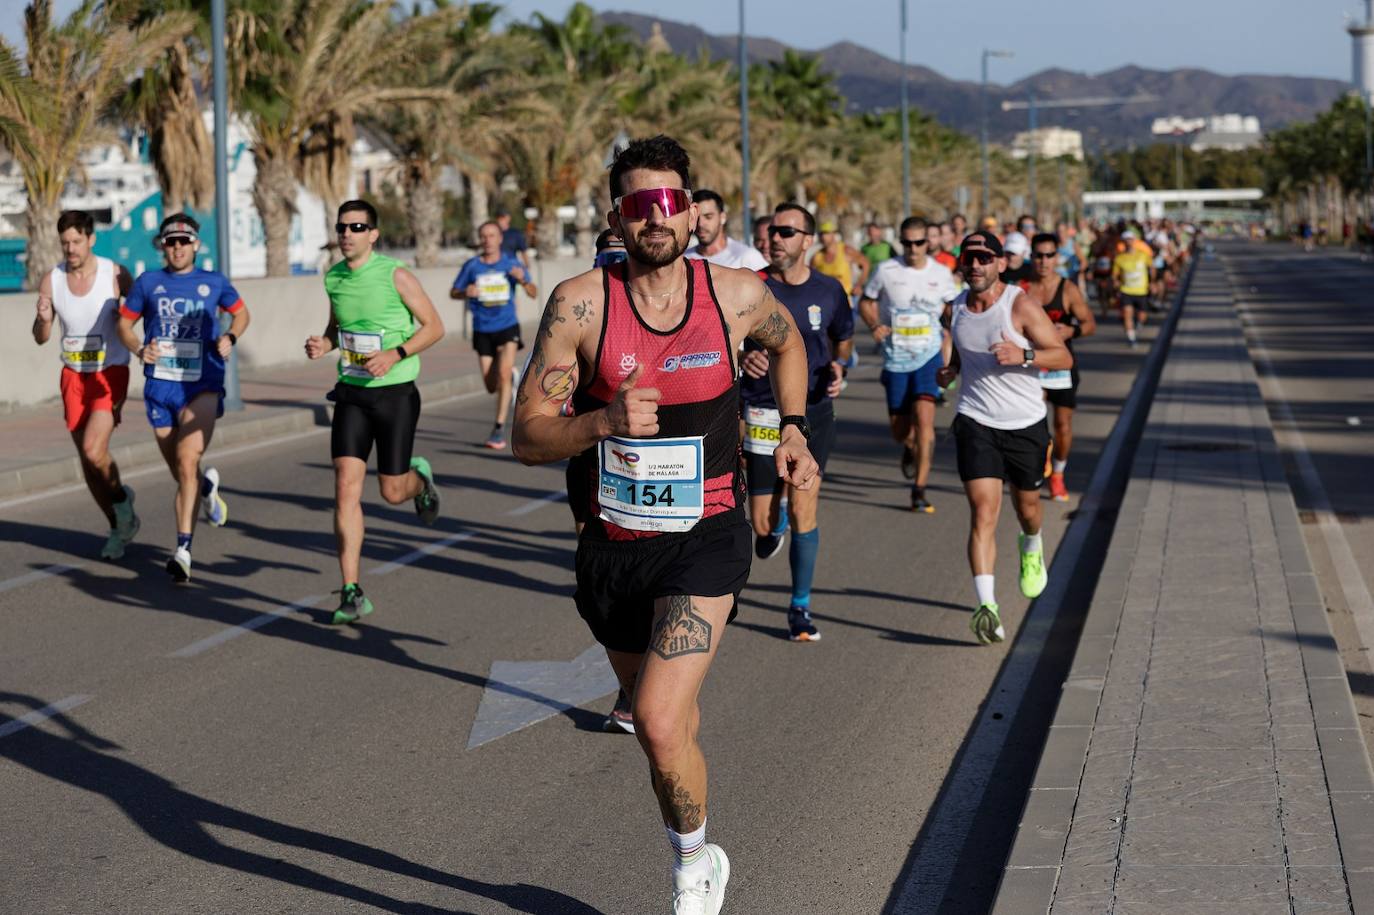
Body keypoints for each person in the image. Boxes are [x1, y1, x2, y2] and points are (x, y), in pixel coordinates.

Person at [511, 135, 818, 915]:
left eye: (672, 201)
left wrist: (792, 427)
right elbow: (526, 435)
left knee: (651, 718)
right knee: (671, 726)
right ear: (618, 214)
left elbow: (789, 349)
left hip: (707, 533)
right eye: (641, 203)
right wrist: (600, 423)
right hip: (611, 548)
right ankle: (693, 815)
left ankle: (693, 864)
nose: (659, 217)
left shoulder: (737, 295)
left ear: (692, 210)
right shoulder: (581, 304)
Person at [305, 200, 445, 623]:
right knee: (345, 486)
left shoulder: (395, 275)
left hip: (395, 394)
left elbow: (435, 327)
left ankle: (418, 480)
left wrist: (396, 353)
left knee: (390, 491)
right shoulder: (333, 278)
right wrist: (323, 345)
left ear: (373, 234)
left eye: (357, 226)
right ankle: (352, 590)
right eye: (342, 226)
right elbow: (337, 329)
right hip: (351, 394)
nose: (347, 233)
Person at [936, 230, 1072, 645]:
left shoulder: (1021, 305)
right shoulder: (955, 309)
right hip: (975, 421)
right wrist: (953, 371)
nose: (975, 265)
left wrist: (1025, 355)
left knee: (1027, 508)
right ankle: (987, 607)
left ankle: (1032, 543)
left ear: (1000, 263)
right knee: (983, 512)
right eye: (969, 258)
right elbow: (962, 348)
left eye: (984, 258)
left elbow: (1063, 356)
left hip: (1025, 424)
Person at [116, 214, 249, 582]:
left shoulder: (213, 283)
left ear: (196, 245)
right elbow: (123, 324)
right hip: (161, 386)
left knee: (187, 460)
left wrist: (230, 338)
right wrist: (139, 349)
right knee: (179, 468)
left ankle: (183, 550)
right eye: (170, 242)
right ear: (163, 246)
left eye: (183, 241)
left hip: (202, 382)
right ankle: (207, 488)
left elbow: (241, 314)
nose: (176, 248)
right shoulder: (148, 283)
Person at [742, 202, 853, 640]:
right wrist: (742, 355)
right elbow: (726, 339)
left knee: (807, 505)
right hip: (762, 411)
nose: (776, 238)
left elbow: (842, 343)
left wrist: (841, 368)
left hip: (813, 412)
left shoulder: (829, 290)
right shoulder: (752, 287)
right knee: (764, 526)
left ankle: (800, 607)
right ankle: (777, 519)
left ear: (808, 240)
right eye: (772, 231)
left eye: (787, 232)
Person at [32, 209, 140, 559]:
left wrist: (132, 324)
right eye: (65, 243)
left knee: (95, 449)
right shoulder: (52, 280)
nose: (70, 249)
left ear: (91, 239)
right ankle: (117, 526)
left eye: (77, 241)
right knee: (87, 461)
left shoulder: (115, 274)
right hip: (73, 376)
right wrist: (43, 319)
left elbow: (144, 308)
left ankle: (122, 500)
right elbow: (41, 337)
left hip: (110, 372)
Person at [860, 216, 960, 512]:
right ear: (900, 242)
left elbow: (954, 307)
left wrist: (953, 330)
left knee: (926, 422)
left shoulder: (942, 273)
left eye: (918, 242)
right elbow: (866, 301)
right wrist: (875, 325)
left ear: (927, 243)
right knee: (901, 431)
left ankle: (919, 489)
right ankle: (909, 448)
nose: (913, 248)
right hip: (895, 359)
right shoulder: (886, 270)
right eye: (907, 242)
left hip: (928, 357)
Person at [451, 220, 537, 449]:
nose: (487, 240)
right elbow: (454, 292)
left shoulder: (511, 263)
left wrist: (522, 279)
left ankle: (498, 429)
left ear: (500, 238)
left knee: (504, 372)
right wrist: (466, 292)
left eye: (492, 235)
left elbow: (533, 292)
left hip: (507, 325)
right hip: (482, 329)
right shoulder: (472, 266)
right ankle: (506, 372)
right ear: (480, 239)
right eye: (484, 236)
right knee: (491, 384)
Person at [1026, 233, 1095, 502]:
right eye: (1039, 255)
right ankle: (1039, 459)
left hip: (1061, 367)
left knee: (1062, 425)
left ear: (1057, 257)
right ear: (1032, 257)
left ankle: (1058, 474)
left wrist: (1070, 330)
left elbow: (1090, 325)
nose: (1044, 261)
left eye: (1049, 255)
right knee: (1035, 421)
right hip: (1031, 364)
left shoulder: (1067, 289)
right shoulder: (1022, 289)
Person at [684, 189, 768, 270]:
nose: (701, 224)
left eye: (708, 217)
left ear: (722, 217)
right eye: (696, 217)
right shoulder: (683, 260)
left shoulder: (747, 257)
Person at [1112, 228, 1154, 348]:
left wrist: (1152, 282)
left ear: (1134, 241)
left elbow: (1151, 268)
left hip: (1142, 290)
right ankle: (1131, 338)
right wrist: (1115, 283)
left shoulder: (1143, 255)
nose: (1128, 242)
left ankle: (1138, 325)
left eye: (1130, 239)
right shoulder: (1119, 258)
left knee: (1142, 316)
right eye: (1126, 240)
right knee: (1127, 313)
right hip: (1127, 290)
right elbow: (1115, 275)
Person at [810, 220, 870, 302]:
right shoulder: (817, 257)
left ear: (834, 234)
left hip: (845, 300)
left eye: (826, 233)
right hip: (825, 302)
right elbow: (810, 277)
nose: (823, 237)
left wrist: (859, 285)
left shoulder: (845, 250)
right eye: (821, 234)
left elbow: (866, 264)